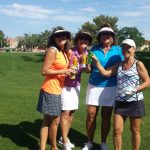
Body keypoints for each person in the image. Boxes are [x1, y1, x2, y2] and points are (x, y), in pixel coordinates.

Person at [92, 39, 150, 150]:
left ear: (134, 49)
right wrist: (96, 62)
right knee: (117, 130)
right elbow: (105, 73)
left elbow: (147, 81)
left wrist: (135, 90)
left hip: (135, 102)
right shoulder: (119, 64)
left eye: (129, 47)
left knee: (135, 130)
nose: (126, 50)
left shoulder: (139, 64)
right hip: (120, 102)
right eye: (124, 47)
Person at [82, 24, 124, 150]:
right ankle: (89, 142)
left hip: (110, 87)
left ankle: (103, 142)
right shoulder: (93, 49)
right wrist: (86, 64)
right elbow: (88, 70)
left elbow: (113, 70)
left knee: (106, 115)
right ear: (100, 37)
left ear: (112, 37)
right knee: (90, 114)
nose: (106, 36)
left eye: (108, 34)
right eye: (103, 34)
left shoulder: (118, 51)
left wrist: (97, 63)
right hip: (94, 85)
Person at [37, 26, 75, 150]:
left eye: (63, 35)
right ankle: (54, 147)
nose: (61, 38)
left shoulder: (62, 51)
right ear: (54, 39)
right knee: (55, 121)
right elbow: (44, 71)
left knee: (47, 120)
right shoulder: (53, 50)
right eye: (57, 36)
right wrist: (65, 70)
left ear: (67, 38)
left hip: (55, 89)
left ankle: (42, 148)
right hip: (51, 89)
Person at [60, 30, 92, 150]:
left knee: (71, 113)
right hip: (64, 85)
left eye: (86, 39)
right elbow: (61, 65)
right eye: (81, 38)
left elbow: (86, 70)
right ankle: (65, 142)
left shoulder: (87, 53)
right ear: (77, 40)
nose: (84, 40)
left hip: (76, 85)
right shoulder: (70, 51)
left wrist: (86, 63)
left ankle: (64, 137)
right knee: (65, 113)